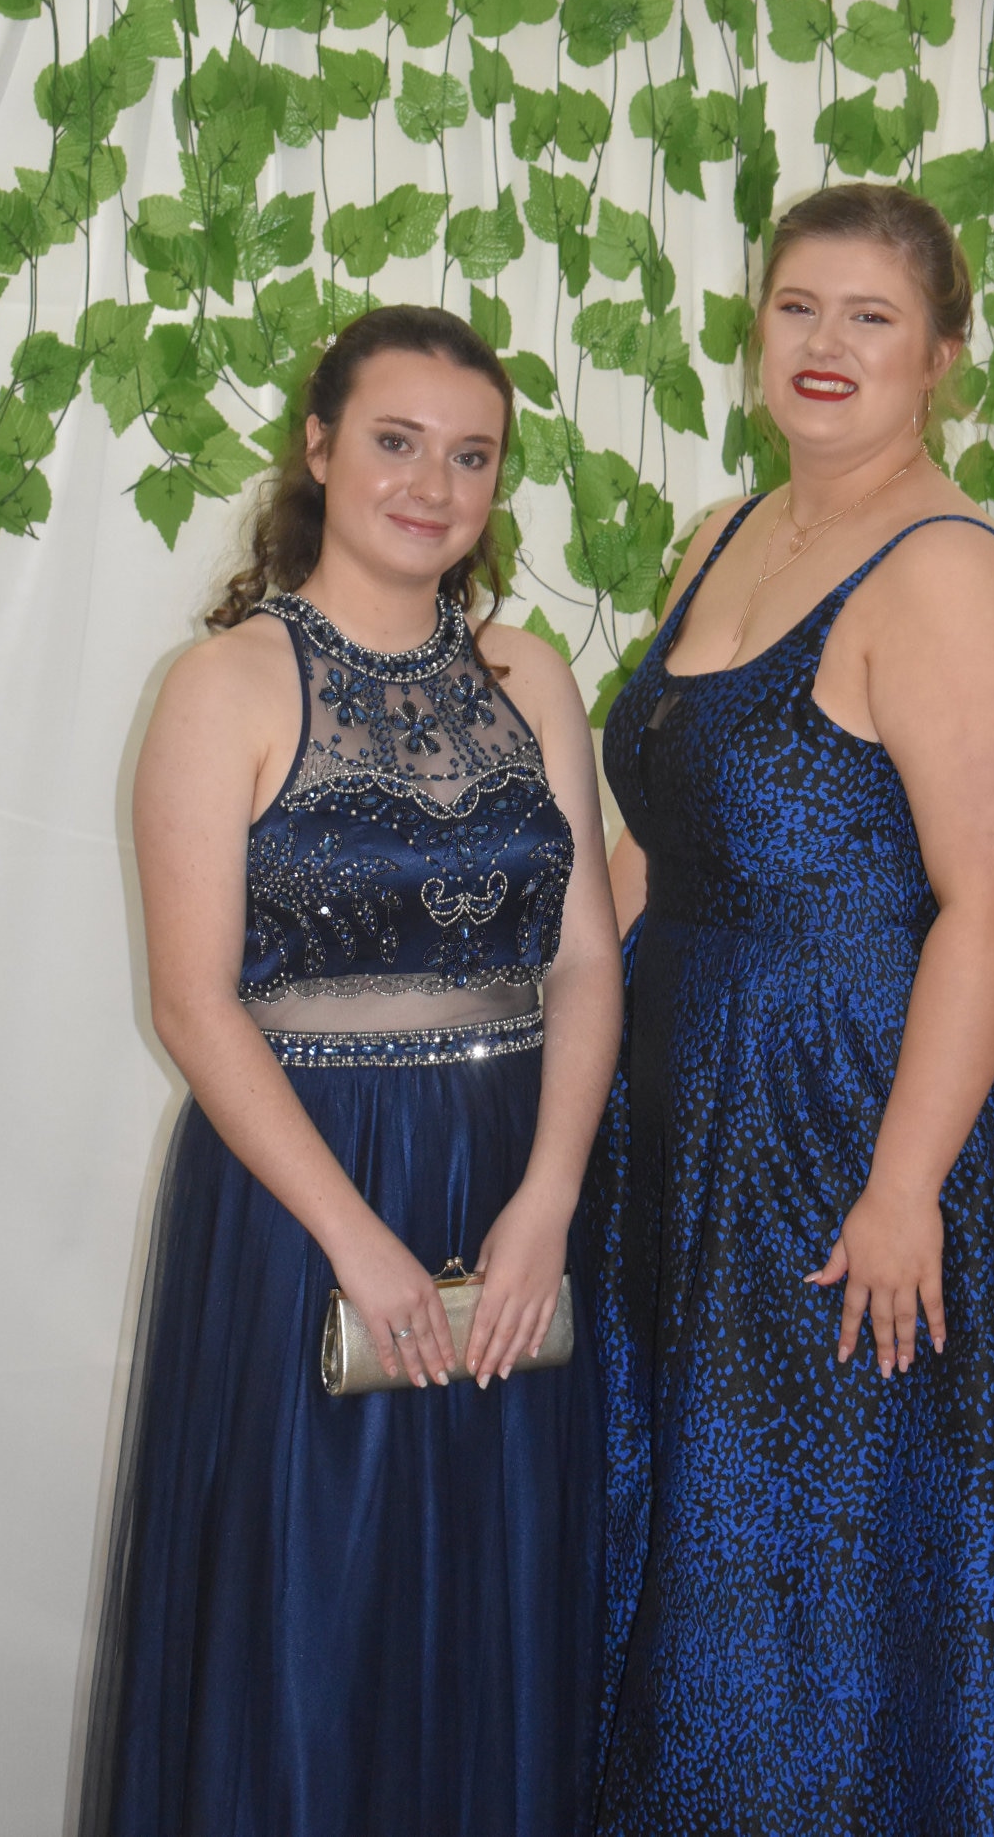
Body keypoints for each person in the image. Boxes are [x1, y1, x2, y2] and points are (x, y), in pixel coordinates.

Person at [580, 183, 994, 1834]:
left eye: (870, 318)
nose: (825, 345)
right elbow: (666, 841)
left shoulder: (947, 570)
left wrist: (900, 1187)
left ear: (943, 355)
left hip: (845, 1118)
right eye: (797, 307)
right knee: (695, 1530)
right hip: (683, 1108)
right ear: (755, 332)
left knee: (811, 1550)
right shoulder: (717, 531)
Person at [77, 305, 621, 1837]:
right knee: (309, 1605)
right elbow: (195, 1007)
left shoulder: (530, 676)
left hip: (516, 1175)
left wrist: (549, 1201)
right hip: (300, 1200)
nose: (431, 485)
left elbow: (582, 960)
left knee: (495, 1598)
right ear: (318, 449)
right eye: (395, 441)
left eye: (470, 455)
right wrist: (360, 1237)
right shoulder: (223, 686)